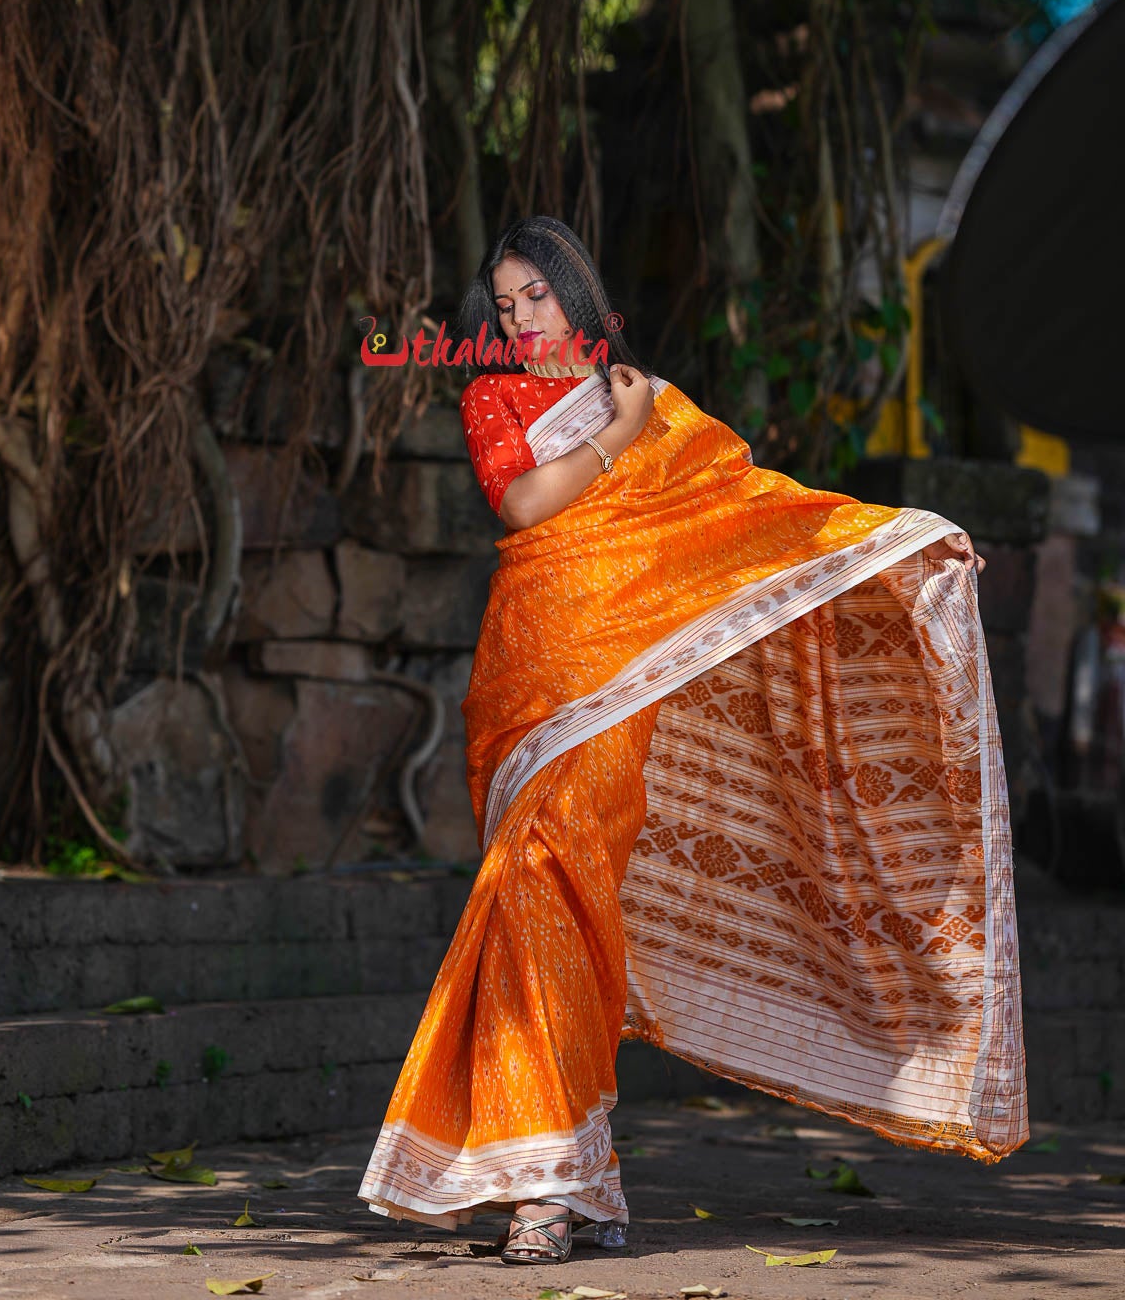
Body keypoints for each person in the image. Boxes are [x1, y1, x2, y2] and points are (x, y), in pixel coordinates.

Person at [357, 215, 1027, 1264]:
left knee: (572, 903)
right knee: (534, 897)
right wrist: (608, 440)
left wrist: (902, 540)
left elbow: (755, 515)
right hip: (531, 682)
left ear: (577, 295)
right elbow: (525, 500)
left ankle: (552, 1184)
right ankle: (564, 1179)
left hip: (619, 696)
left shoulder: (655, 404)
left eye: (535, 295)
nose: (520, 318)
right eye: (503, 305)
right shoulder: (502, 398)